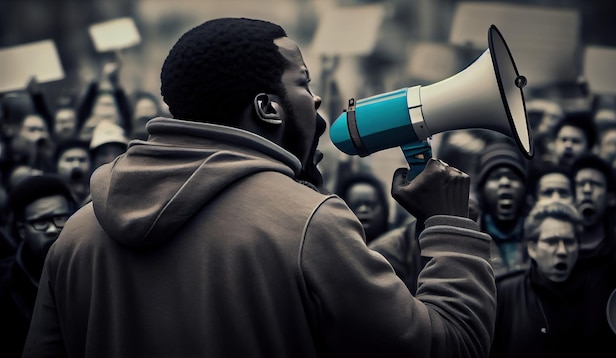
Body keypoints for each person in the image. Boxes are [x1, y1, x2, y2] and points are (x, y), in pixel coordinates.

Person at [23, 18, 496, 357]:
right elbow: (450, 344)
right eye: (303, 82)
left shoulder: (78, 234)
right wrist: (449, 224)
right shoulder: (309, 224)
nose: (315, 99)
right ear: (269, 108)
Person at [490, 201, 589, 357]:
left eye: (569, 242)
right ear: (532, 249)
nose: (562, 251)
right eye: (551, 242)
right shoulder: (504, 292)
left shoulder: (593, 293)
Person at [0, 174, 78, 357]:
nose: (52, 229)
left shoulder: (89, 272)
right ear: (21, 230)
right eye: (41, 222)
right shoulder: (4, 283)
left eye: (60, 218)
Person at [569, 154, 616, 353]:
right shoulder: (558, 253)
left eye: (595, 185)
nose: (586, 190)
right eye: (580, 184)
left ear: (611, 198)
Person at [474, 137, 530, 276]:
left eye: (512, 177)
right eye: (495, 177)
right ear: (482, 190)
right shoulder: (470, 237)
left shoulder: (539, 234)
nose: (505, 182)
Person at [334, 171, 390, 244]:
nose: (363, 210)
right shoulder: (332, 247)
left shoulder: (398, 246)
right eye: (355, 205)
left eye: (371, 205)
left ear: (384, 210)